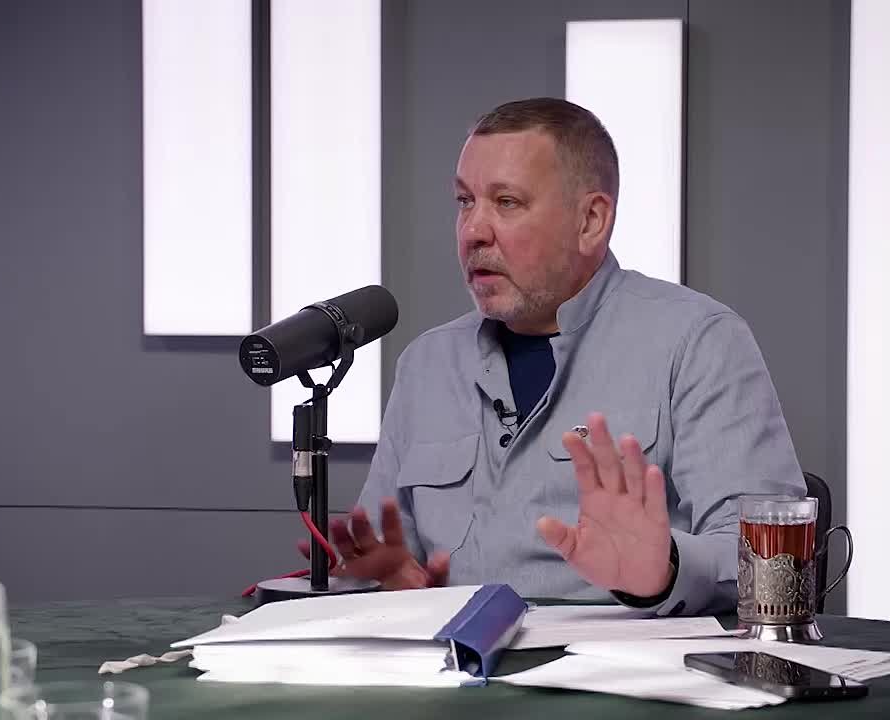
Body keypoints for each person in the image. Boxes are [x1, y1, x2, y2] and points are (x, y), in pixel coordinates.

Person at [308, 97, 805, 614]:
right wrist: (381, 583)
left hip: (619, 663)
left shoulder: (698, 341)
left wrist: (665, 570)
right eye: (465, 202)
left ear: (591, 221)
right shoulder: (425, 364)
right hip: (452, 660)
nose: (473, 231)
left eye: (507, 202)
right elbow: (384, 555)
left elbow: (769, 561)